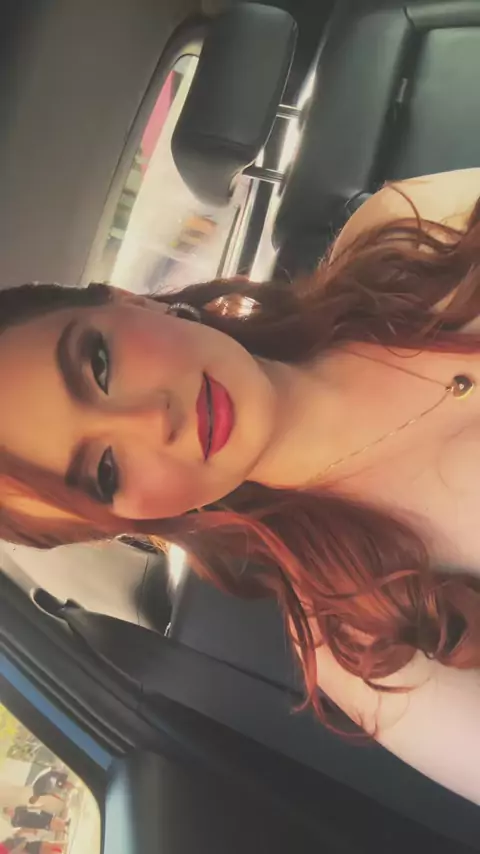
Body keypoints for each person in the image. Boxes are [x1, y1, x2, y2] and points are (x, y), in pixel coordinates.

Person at [2, 168, 480, 803]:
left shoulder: (401, 232)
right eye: (105, 472)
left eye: (99, 364)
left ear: (127, 301)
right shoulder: (364, 645)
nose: (153, 419)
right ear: (131, 522)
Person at [3, 807, 67, 835]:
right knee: (49, 825)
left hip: (35, 815)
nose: (11, 811)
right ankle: (62, 829)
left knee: (52, 818)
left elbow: (29, 808)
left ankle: (64, 822)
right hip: (34, 824)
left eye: (11, 809)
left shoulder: (18, 809)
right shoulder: (14, 822)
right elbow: (22, 829)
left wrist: (38, 808)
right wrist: (31, 831)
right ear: (7, 814)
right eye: (9, 811)